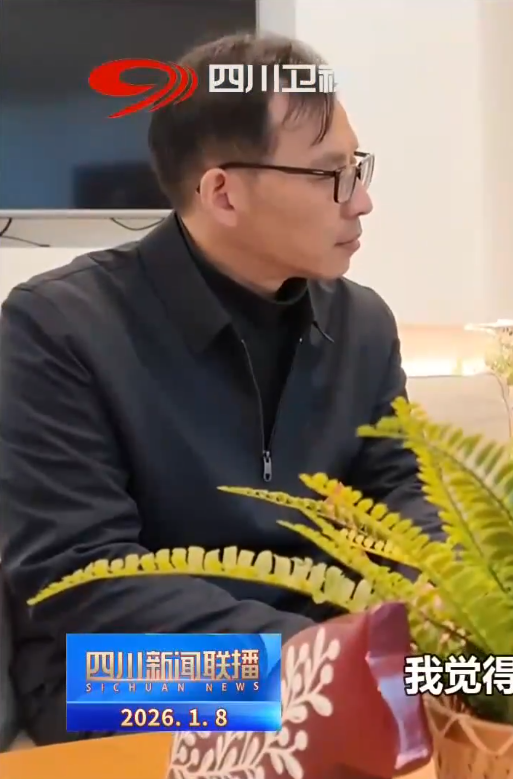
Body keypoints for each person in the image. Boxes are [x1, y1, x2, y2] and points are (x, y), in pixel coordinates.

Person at [0, 33, 441, 745]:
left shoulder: (361, 323)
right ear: (222, 193)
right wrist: (317, 660)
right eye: (330, 175)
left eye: (357, 167)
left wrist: (445, 601)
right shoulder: (58, 325)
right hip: (120, 671)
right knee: (360, 715)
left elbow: (399, 497)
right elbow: (82, 579)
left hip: (330, 652)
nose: (361, 201)